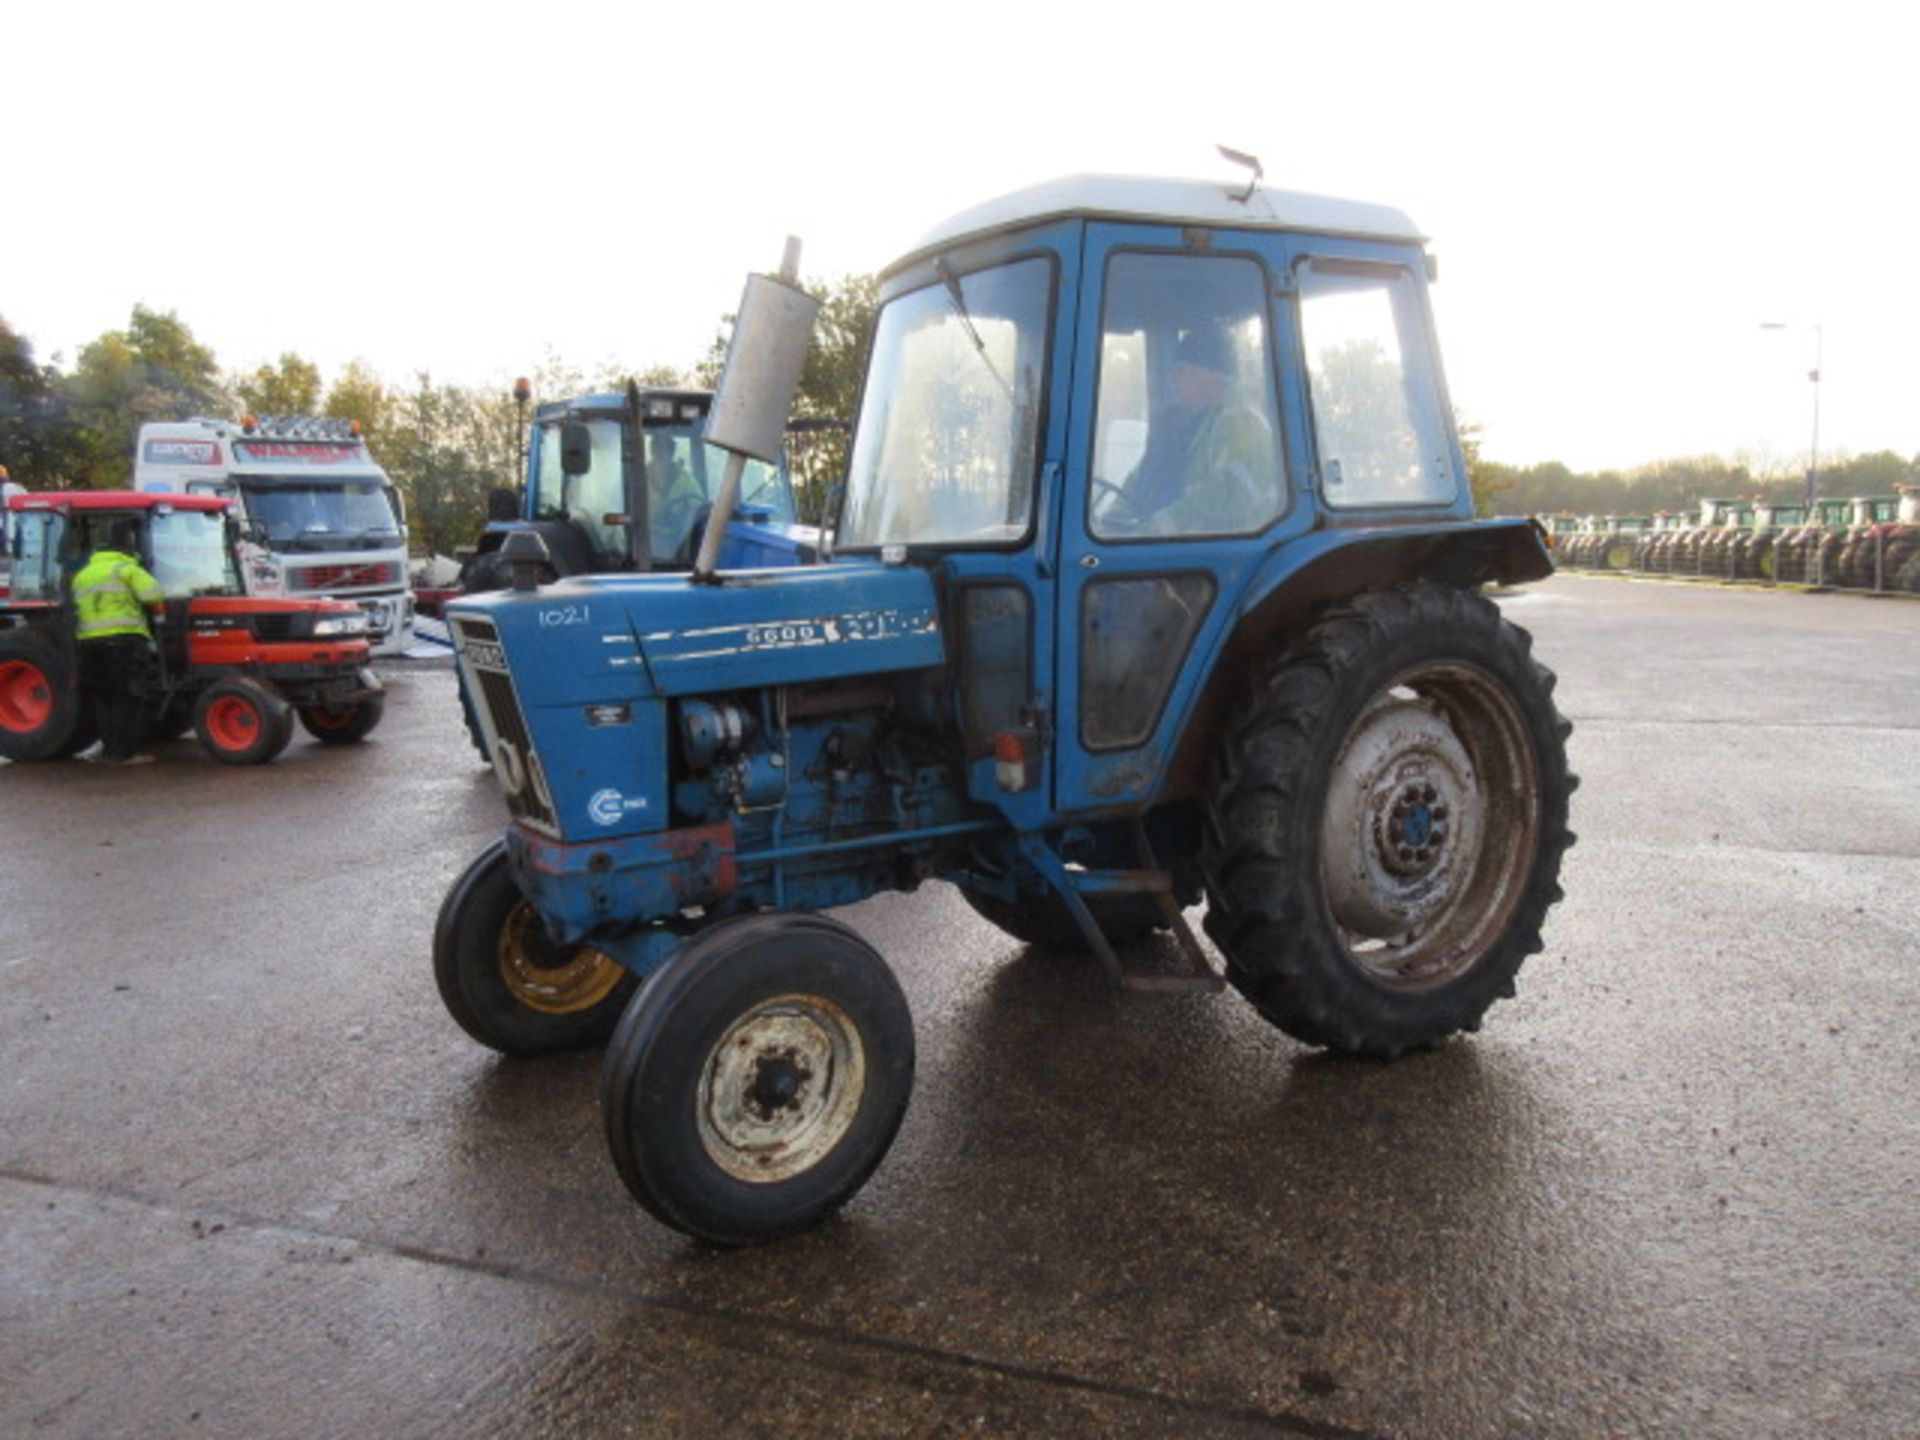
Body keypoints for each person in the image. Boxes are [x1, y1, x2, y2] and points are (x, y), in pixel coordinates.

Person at [1106, 326, 1276, 537]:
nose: (1173, 381)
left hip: (1217, 554)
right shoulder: (1183, 425)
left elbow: (1232, 494)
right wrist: (1111, 521)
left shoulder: (1243, 424)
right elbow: (1140, 479)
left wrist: (1156, 528)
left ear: (1209, 376)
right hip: (1167, 548)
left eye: (1180, 371)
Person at [73, 519, 165, 766]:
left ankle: (110, 750)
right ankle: (127, 753)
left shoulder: (83, 575)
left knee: (104, 698)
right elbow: (154, 594)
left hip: (89, 644)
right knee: (128, 697)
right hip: (124, 640)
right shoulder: (126, 570)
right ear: (126, 547)